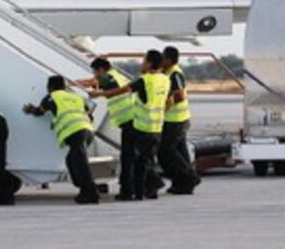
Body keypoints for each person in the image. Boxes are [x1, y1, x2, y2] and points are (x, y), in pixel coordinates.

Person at [90, 49, 169, 200]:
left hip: (139, 124)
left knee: (129, 158)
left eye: (144, 61)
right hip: (157, 125)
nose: (142, 64)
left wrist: (99, 94)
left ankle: (130, 191)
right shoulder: (164, 79)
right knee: (145, 159)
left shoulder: (145, 80)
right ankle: (149, 188)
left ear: (150, 63)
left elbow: (124, 90)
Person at [23, 75, 100, 204]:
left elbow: (39, 112)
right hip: (87, 131)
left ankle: (91, 193)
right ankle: (83, 188)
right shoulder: (77, 97)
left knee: (81, 165)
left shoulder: (51, 96)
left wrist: (30, 109)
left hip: (74, 132)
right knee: (71, 160)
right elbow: (90, 116)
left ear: (50, 87)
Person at [77, 57, 138, 201]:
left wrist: (74, 83)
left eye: (95, 72)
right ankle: (149, 183)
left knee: (128, 157)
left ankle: (129, 190)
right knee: (132, 155)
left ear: (101, 70)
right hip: (132, 119)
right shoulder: (117, 76)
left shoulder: (109, 77)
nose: (94, 75)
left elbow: (93, 83)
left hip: (129, 120)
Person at [159, 46, 201, 194]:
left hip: (176, 120)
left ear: (169, 59)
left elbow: (180, 95)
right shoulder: (167, 72)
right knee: (180, 151)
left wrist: (163, 106)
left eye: (163, 58)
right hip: (176, 119)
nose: (161, 60)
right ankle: (181, 183)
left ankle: (190, 177)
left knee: (166, 150)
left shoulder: (175, 73)